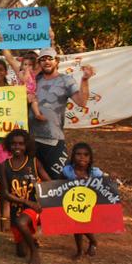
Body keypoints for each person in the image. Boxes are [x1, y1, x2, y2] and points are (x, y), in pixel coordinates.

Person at [30, 47, 95, 179]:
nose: (46, 62)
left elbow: (82, 102)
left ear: (57, 61)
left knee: (57, 178)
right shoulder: (33, 80)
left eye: (50, 58)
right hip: (30, 138)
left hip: (53, 138)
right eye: (42, 59)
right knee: (33, 178)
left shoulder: (66, 80)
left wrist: (85, 80)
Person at [0, 130, 50, 264]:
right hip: (17, 209)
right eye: (14, 144)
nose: (17, 147)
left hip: (33, 207)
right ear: (9, 145)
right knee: (21, 253)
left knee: (22, 223)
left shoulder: (34, 163)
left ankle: (35, 253)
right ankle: (31, 241)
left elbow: (49, 183)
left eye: (21, 144)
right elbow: (5, 193)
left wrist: (38, 189)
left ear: (27, 145)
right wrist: (25, 202)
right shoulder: (4, 165)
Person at [62, 142, 104, 259]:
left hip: (90, 204)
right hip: (73, 203)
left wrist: (111, 178)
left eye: (86, 155)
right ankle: (79, 251)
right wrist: (73, 182)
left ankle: (93, 241)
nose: (82, 157)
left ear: (90, 158)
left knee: (84, 226)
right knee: (77, 227)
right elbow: (59, 185)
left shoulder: (95, 172)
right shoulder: (67, 171)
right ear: (73, 157)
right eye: (78, 154)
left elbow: (105, 185)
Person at [2, 47, 45, 120]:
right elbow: (10, 59)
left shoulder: (35, 72)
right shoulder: (21, 72)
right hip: (22, 94)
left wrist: (51, 41)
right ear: (22, 64)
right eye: (25, 64)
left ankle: (37, 114)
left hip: (32, 94)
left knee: (34, 102)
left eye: (30, 64)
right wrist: (3, 44)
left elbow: (47, 58)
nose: (27, 66)